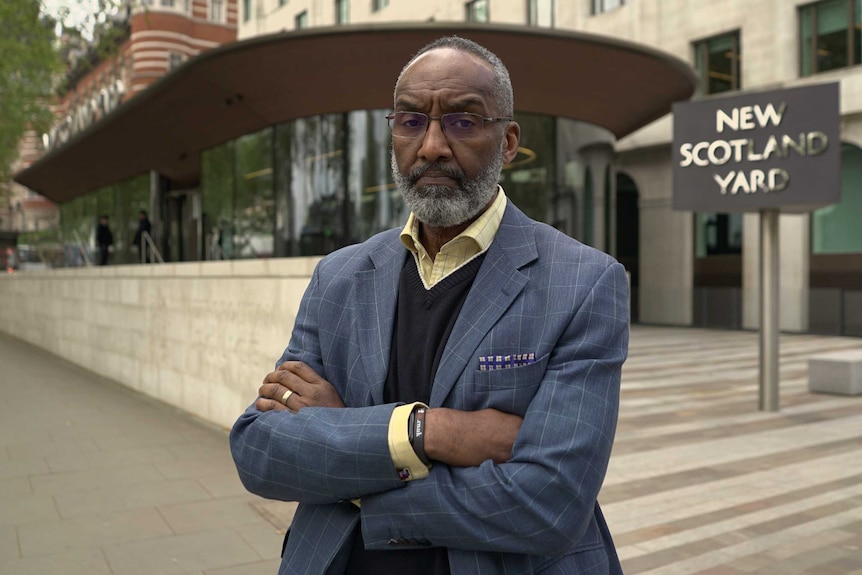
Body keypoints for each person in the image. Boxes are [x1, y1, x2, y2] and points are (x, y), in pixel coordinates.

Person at [230, 36, 629, 575]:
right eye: (412, 121)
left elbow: (548, 503)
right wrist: (432, 431)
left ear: (508, 141)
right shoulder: (339, 277)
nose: (433, 146)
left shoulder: (583, 282)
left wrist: (346, 460)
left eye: (463, 122)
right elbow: (262, 452)